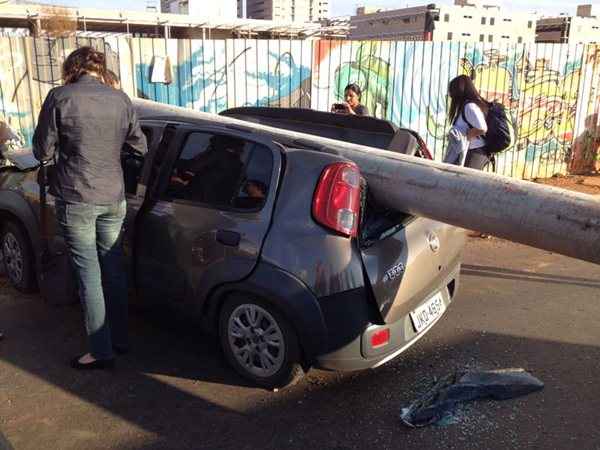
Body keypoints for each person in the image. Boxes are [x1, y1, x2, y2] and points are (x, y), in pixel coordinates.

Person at [32, 46, 147, 370]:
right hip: (114, 197)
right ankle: (120, 340)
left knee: (89, 275)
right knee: (113, 267)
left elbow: (42, 151)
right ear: (99, 69)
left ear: (73, 68)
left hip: (76, 197)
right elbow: (140, 145)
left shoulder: (60, 97)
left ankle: (100, 350)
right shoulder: (121, 99)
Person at [447, 75, 490, 170]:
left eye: (452, 90)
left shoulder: (469, 106)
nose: (450, 94)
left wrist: (468, 136)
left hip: (474, 152)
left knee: (466, 181)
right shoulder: (466, 106)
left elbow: (482, 128)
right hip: (470, 151)